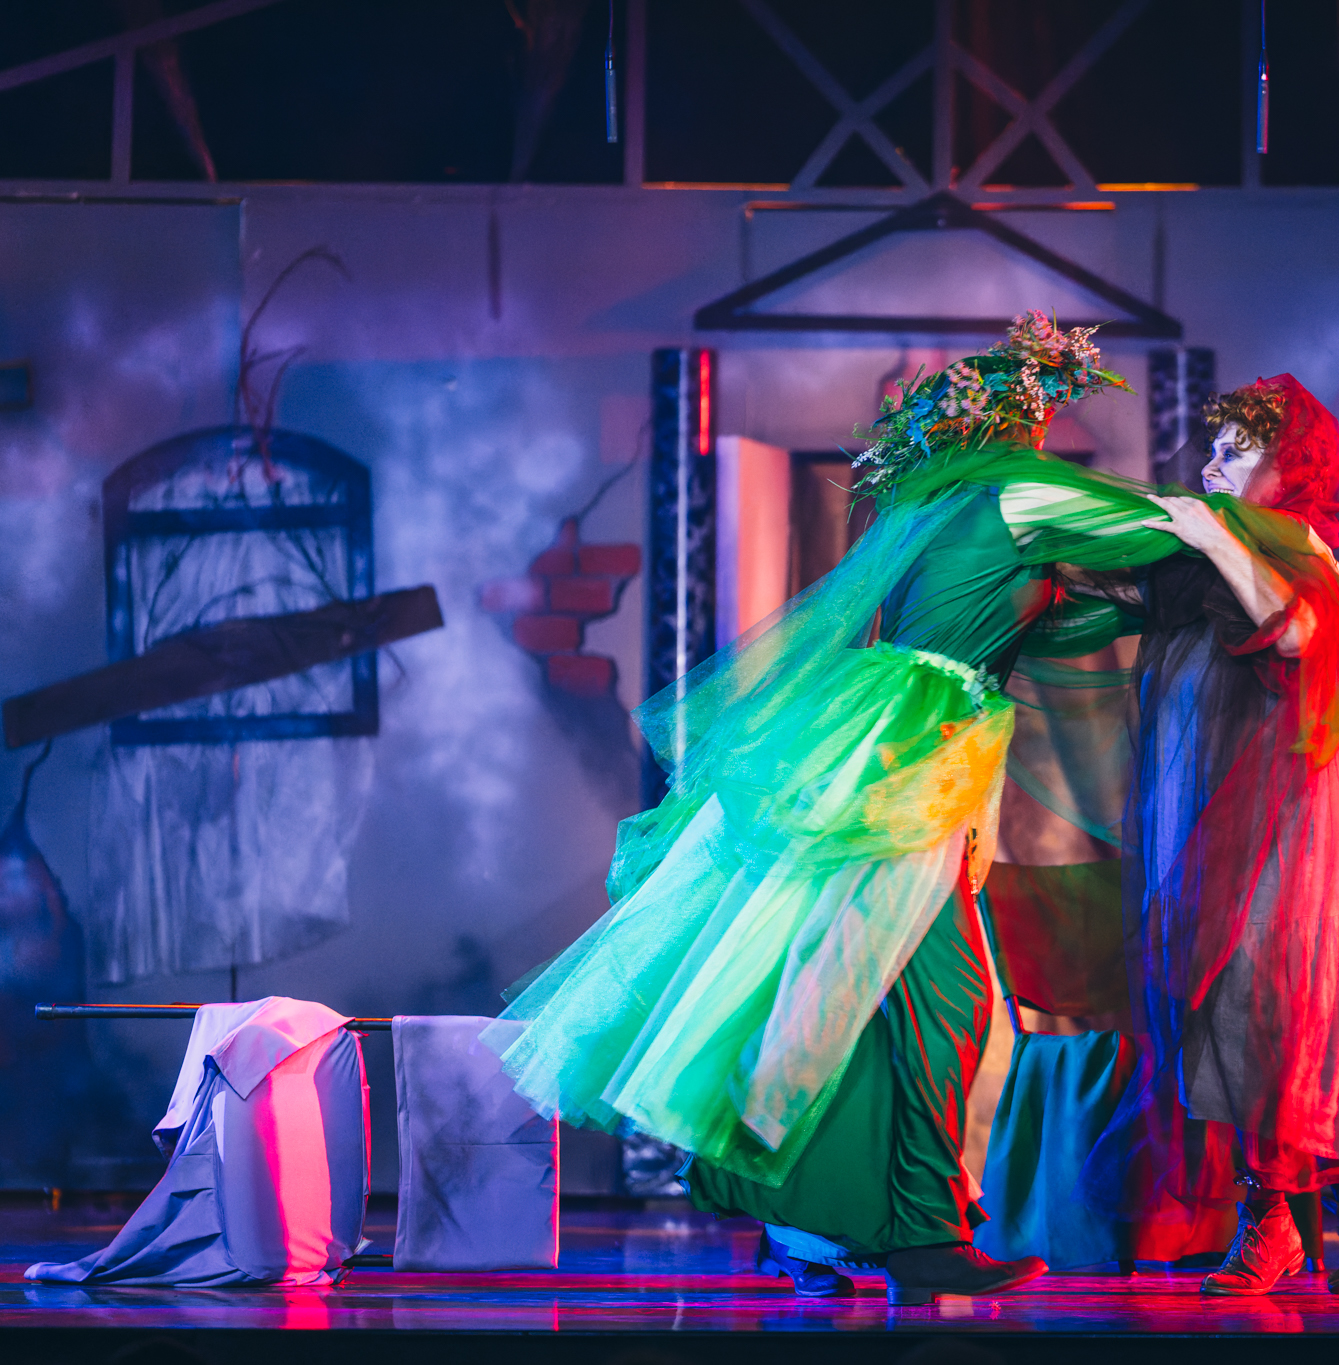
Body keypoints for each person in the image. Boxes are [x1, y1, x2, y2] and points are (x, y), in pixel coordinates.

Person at [485, 315, 1243, 1306]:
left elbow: (1065, 619)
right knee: (934, 994)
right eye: (1042, 415)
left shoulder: (950, 513)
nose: (1046, 435)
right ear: (1016, 424)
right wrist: (1254, 534)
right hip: (910, 752)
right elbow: (1156, 526)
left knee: (858, 984)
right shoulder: (1015, 494)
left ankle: (832, 1218)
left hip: (900, 744)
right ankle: (916, 1231)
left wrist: (1164, 600)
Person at [1091, 374, 1339, 1296]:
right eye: (1214, 448)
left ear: (1290, 470)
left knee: (1260, 1011)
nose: (1213, 465)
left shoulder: (1297, 546)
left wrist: (1216, 537)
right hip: (1213, 826)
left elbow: (1296, 633)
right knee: (1233, 1012)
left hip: (1280, 830)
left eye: (1239, 451)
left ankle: (1279, 1221)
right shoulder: (1208, 559)